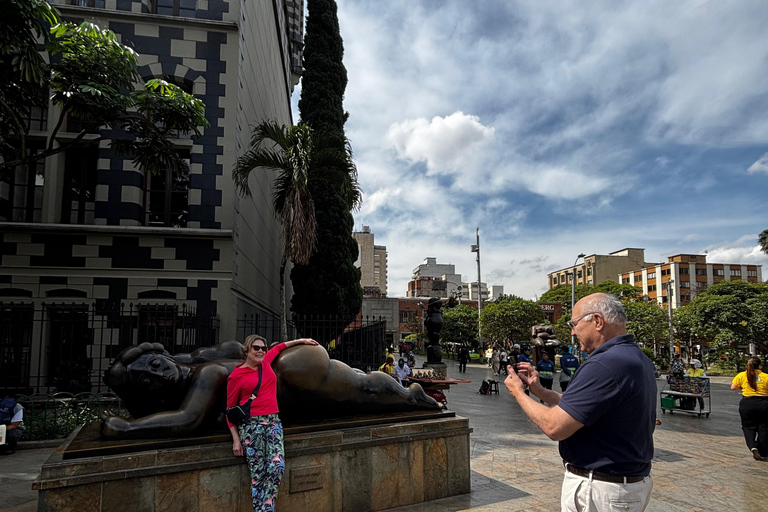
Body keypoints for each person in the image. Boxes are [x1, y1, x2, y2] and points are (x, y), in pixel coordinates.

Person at [504, 293, 656, 512]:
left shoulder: (606, 364)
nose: (573, 332)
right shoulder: (632, 356)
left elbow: (554, 427)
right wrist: (539, 390)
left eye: (574, 324)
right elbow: (580, 406)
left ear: (597, 321)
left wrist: (518, 392)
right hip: (622, 485)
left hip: (602, 490)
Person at [227, 335, 318, 512]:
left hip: (273, 423)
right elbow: (230, 411)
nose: (261, 351)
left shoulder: (266, 362)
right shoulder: (236, 376)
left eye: (263, 348)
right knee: (258, 475)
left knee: (277, 467)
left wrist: (302, 341)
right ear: (247, 350)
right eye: (256, 348)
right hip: (251, 427)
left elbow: (279, 347)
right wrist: (236, 440)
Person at [730, 356, 768, 461]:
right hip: (764, 404)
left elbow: (733, 387)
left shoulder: (742, 375)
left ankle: (752, 446)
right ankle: (763, 451)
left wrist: (743, 387)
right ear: (760, 366)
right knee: (764, 428)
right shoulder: (766, 376)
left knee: (748, 427)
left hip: (747, 404)